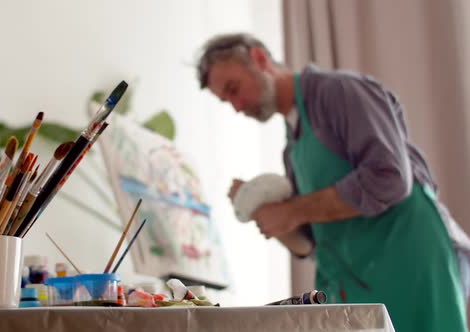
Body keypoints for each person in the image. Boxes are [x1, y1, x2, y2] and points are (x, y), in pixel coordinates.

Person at [196, 33, 470, 332]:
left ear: (260, 59)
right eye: (226, 101)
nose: (237, 106)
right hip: (356, 281)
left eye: (234, 89)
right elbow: (311, 243)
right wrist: (263, 211)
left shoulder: (341, 91)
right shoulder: (292, 147)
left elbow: (389, 177)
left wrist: (292, 211)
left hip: (409, 262)